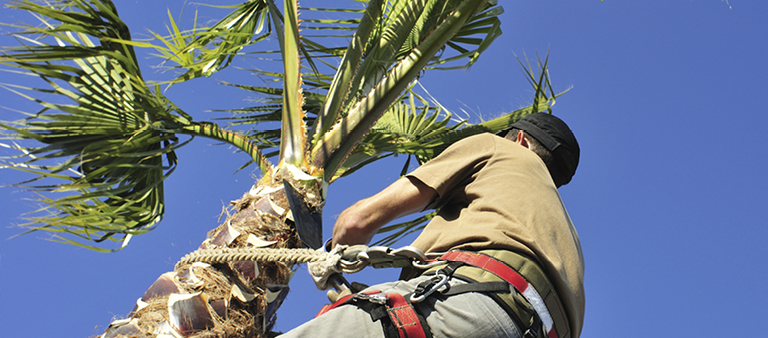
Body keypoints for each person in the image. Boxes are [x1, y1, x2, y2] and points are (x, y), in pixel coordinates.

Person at [281, 113, 584, 338]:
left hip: (469, 308)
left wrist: (334, 254)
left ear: (521, 140)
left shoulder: (502, 150)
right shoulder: (568, 240)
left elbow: (356, 223)